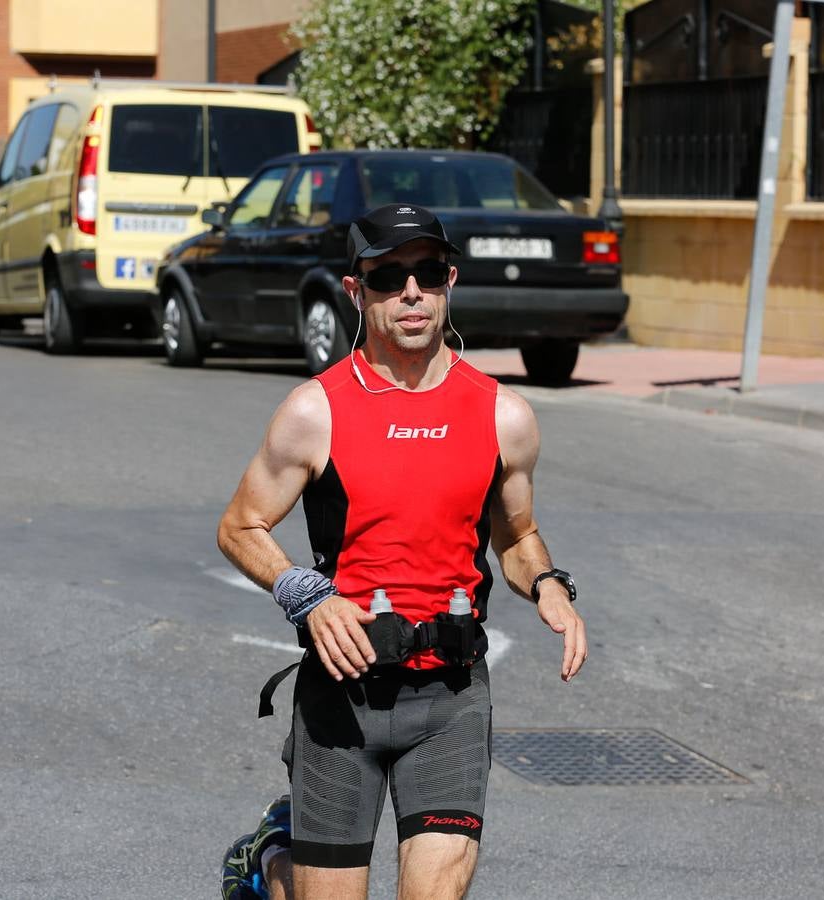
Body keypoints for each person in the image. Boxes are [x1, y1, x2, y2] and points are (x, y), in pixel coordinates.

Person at [216, 203, 588, 899]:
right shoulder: (315, 411)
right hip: (342, 694)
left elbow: (517, 536)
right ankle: (271, 858)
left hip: (449, 693)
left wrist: (548, 586)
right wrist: (307, 594)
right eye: (389, 277)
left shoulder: (503, 414)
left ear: (448, 281)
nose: (411, 292)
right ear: (356, 292)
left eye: (426, 273)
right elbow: (240, 526)